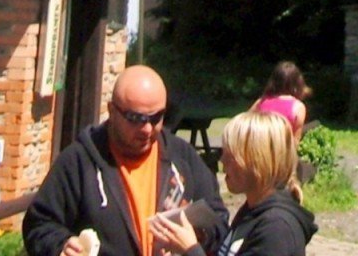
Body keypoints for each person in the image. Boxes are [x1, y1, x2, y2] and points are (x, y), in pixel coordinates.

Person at [23, 64, 227, 256]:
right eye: (136, 119)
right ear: (112, 111)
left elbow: (218, 219)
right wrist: (62, 245)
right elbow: (39, 225)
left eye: (156, 118)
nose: (147, 129)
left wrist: (197, 236)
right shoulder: (78, 161)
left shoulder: (182, 157)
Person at [155, 112, 315, 256]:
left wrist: (191, 249)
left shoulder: (277, 228)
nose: (221, 161)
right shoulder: (252, 211)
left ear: (256, 162)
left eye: (230, 155)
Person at [251, 64, 310, 141]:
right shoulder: (298, 107)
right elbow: (295, 140)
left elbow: (244, 122)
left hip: (258, 146)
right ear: (298, 82)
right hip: (281, 149)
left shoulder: (261, 102)